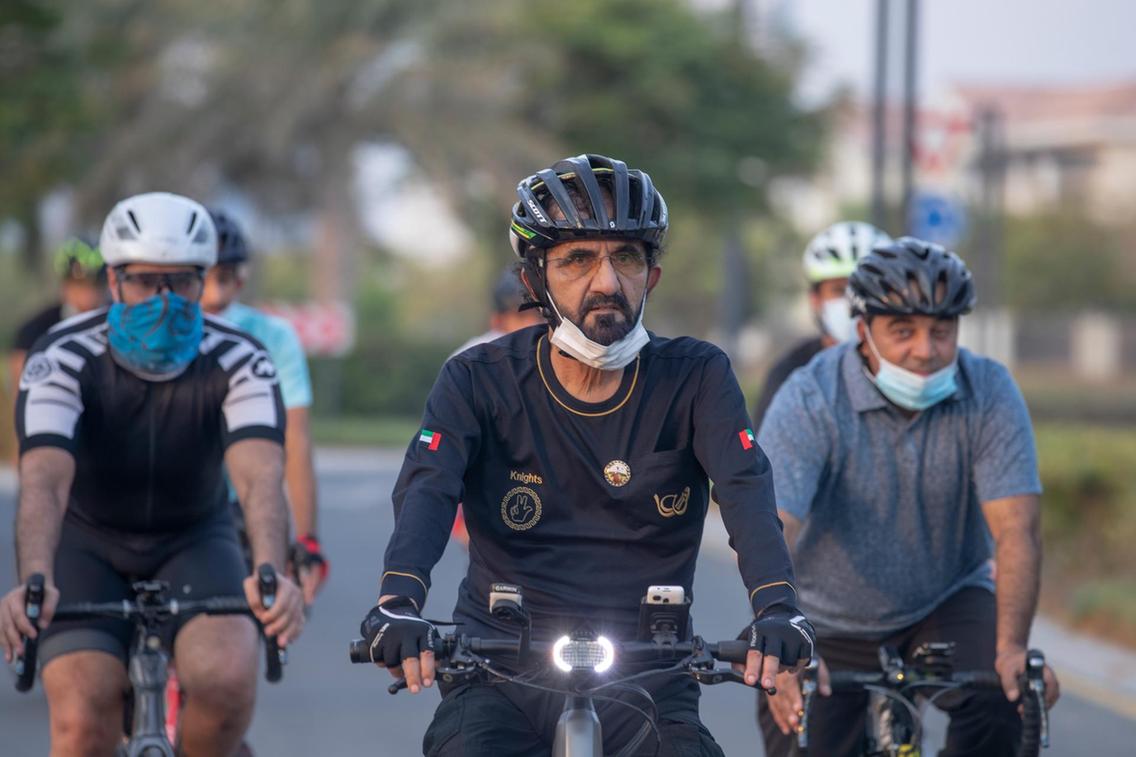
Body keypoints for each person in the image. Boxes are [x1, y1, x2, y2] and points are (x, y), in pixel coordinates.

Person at [357, 154, 815, 756]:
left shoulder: (699, 377)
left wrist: (779, 609)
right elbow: (428, 491)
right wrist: (398, 604)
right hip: (496, 667)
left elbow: (746, 492)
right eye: (577, 259)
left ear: (650, 275)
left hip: (650, 668)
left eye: (625, 257)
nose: (605, 282)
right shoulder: (476, 379)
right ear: (533, 279)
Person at [0, 192, 305, 756]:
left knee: (227, 685)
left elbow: (260, 475)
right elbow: (43, 479)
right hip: (86, 540)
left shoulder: (242, 359)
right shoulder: (61, 356)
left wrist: (270, 569)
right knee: (80, 721)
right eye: (145, 282)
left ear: (202, 280)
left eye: (181, 282)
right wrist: (34, 579)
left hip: (195, 537)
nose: (163, 299)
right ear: (113, 281)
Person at [755, 237, 1060, 757]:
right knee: (802, 730)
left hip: (943, 601)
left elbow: (1016, 530)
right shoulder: (810, 397)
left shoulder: (988, 390)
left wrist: (1011, 650)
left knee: (1006, 704)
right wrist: (783, 639)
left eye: (941, 331)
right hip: (823, 615)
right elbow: (770, 525)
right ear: (862, 332)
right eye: (903, 331)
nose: (925, 350)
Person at [200, 208, 328, 604]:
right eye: (204, 277)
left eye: (226, 277)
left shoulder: (273, 336)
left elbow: (295, 436)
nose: (216, 293)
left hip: (238, 503)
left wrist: (306, 538)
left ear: (242, 277)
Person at [750, 221, 890, 429]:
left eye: (866, 289)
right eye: (839, 290)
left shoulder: (909, 366)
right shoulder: (790, 374)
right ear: (815, 299)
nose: (854, 302)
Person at [447, 264, 545, 546]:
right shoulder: (470, 364)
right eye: (522, 317)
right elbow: (450, 450)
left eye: (540, 314)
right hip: (488, 497)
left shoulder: (561, 356)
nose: (535, 325)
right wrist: (460, 520)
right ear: (497, 321)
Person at [9, 236, 108, 397]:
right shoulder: (32, 331)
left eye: (97, 285)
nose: (89, 296)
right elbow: (20, 396)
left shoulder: (118, 324)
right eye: (80, 285)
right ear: (65, 284)